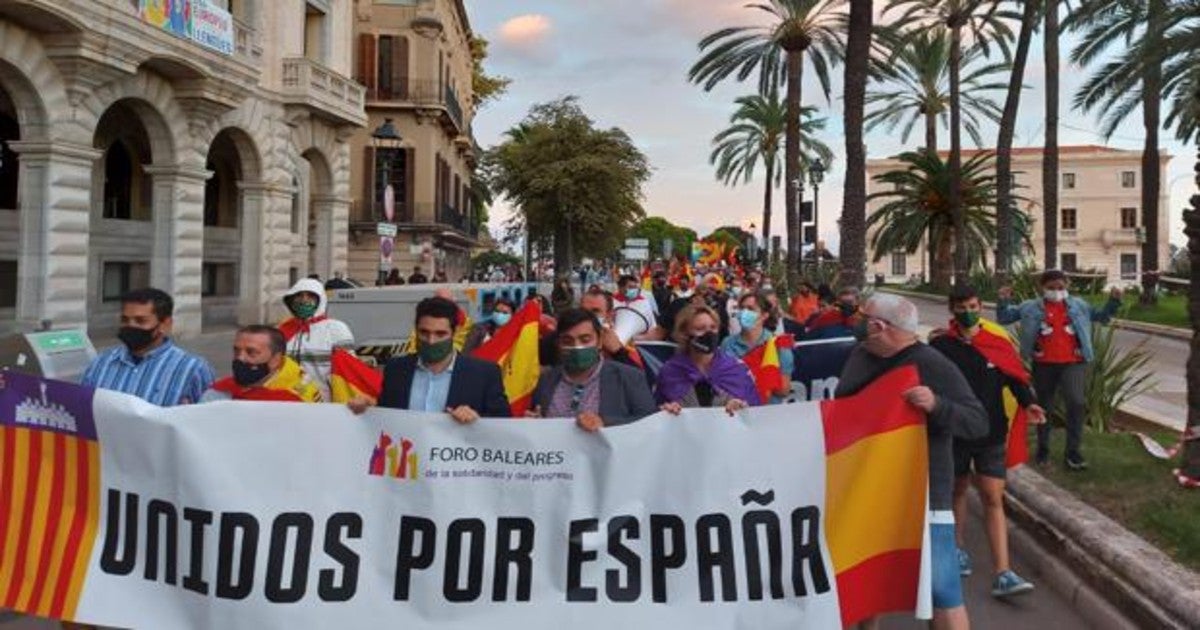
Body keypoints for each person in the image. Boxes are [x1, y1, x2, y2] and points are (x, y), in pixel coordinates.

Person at [835, 293, 988, 630]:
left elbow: (977, 422)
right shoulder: (860, 356)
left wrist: (937, 406)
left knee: (942, 589)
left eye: (863, 316)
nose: (857, 321)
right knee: (866, 584)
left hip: (922, 497)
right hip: (867, 489)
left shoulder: (931, 364)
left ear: (878, 326)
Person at [930, 286, 1046, 598]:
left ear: (981, 306)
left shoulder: (997, 343)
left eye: (972, 305)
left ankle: (1003, 572)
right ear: (952, 309)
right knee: (957, 490)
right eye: (961, 306)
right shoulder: (941, 345)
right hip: (954, 433)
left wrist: (1029, 403)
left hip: (992, 433)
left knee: (993, 497)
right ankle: (956, 548)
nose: (968, 310)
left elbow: (1015, 377)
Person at [996, 269, 1122, 470]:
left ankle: (1073, 453)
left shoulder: (1079, 305)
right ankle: (1043, 451)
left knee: (1076, 401)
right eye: (1051, 288)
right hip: (1043, 364)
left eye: (1060, 287)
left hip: (1074, 363)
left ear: (1068, 286)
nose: (1056, 291)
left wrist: (1113, 301)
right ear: (1042, 288)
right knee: (1043, 406)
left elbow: (1101, 317)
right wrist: (1003, 300)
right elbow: (1004, 318)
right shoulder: (1030, 307)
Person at [349, 296, 510, 421]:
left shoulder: (484, 374)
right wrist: (369, 409)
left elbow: (503, 429)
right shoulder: (396, 370)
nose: (431, 341)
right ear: (415, 331)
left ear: (453, 333)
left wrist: (477, 422)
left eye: (440, 334)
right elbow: (389, 419)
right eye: (424, 333)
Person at [528, 308, 658, 431]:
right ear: (558, 344)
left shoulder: (628, 377)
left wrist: (605, 423)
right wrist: (536, 424)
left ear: (600, 341)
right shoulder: (545, 380)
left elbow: (650, 423)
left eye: (585, 340)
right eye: (567, 341)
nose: (577, 346)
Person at [81, 288, 215, 406]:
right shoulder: (101, 363)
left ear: (165, 324)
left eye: (141, 321)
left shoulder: (192, 369)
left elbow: (207, 422)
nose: (131, 326)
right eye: (125, 320)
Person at [656, 304, 760, 415]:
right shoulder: (670, 371)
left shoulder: (737, 369)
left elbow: (755, 413)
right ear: (685, 334)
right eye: (700, 329)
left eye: (713, 328)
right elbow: (657, 412)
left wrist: (740, 407)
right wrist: (668, 410)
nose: (709, 334)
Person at [279, 277, 355, 401]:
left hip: (324, 403)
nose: (304, 300)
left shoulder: (336, 329)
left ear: (321, 300)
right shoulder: (282, 330)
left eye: (310, 296)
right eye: (299, 295)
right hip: (289, 402)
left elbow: (349, 371)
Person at [201, 325, 322, 402]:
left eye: (251, 352)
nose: (240, 358)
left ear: (276, 359)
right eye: (236, 350)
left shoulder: (299, 399)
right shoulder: (219, 393)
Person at [720, 291, 794, 402]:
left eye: (750, 309)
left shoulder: (778, 344)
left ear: (764, 315)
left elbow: (784, 390)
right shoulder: (727, 344)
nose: (745, 312)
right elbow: (724, 385)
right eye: (742, 308)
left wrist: (763, 376)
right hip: (739, 413)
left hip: (769, 412)